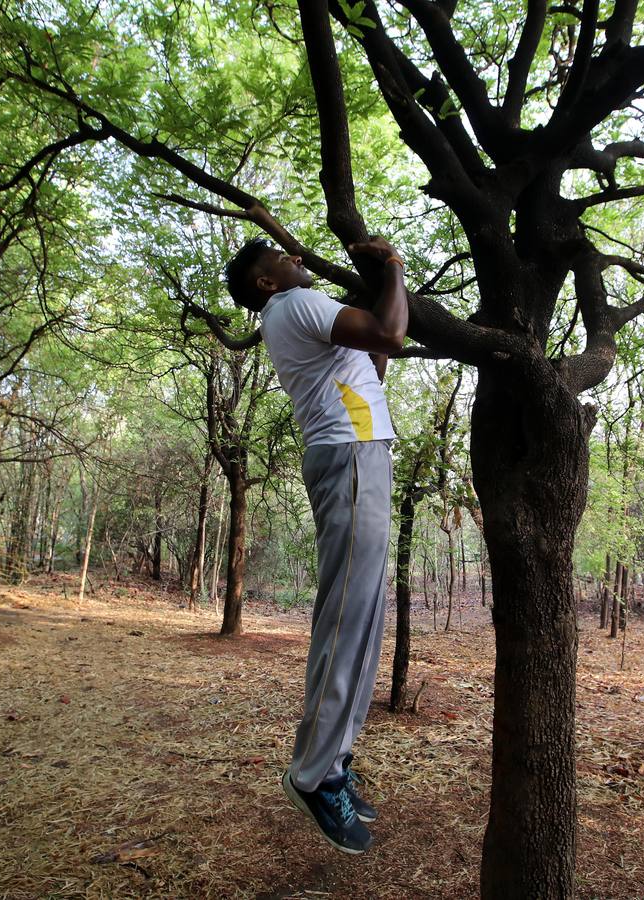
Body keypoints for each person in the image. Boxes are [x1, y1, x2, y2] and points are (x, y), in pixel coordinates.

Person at [223, 236, 408, 854]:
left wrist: (372, 286)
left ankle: (335, 763)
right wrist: (392, 265)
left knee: (364, 622)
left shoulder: (298, 308)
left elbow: (374, 360)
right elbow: (391, 335)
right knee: (344, 622)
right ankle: (311, 775)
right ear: (266, 284)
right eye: (276, 257)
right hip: (350, 455)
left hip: (363, 449)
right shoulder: (294, 304)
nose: (291, 257)